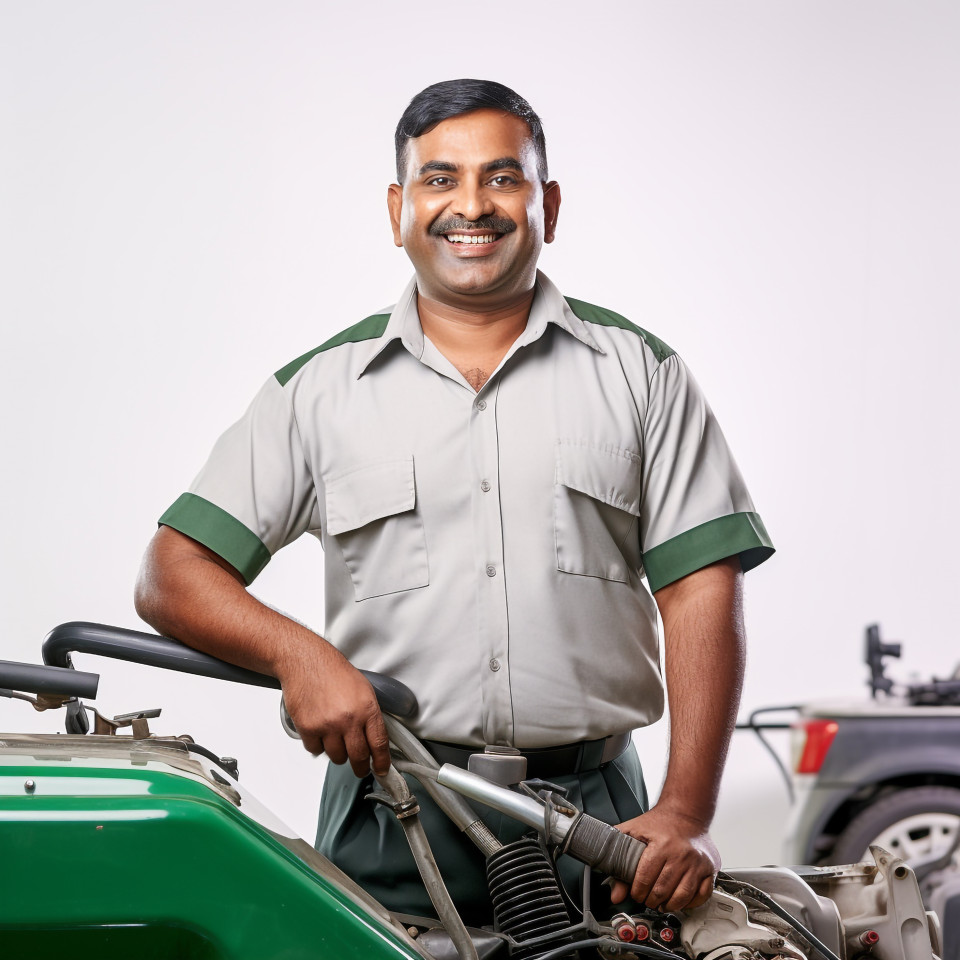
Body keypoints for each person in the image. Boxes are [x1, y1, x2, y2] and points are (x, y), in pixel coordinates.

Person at [135, 79, 773, 925]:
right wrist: (301, 656)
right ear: (398, 208)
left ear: (547, 202)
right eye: (439, 180)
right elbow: (172, 573)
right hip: (392, 810)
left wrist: (688, 813)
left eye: (502, 179)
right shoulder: (317, 392)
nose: (470, 205)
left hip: (603, 825)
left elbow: (700, 587)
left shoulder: (641, 374)